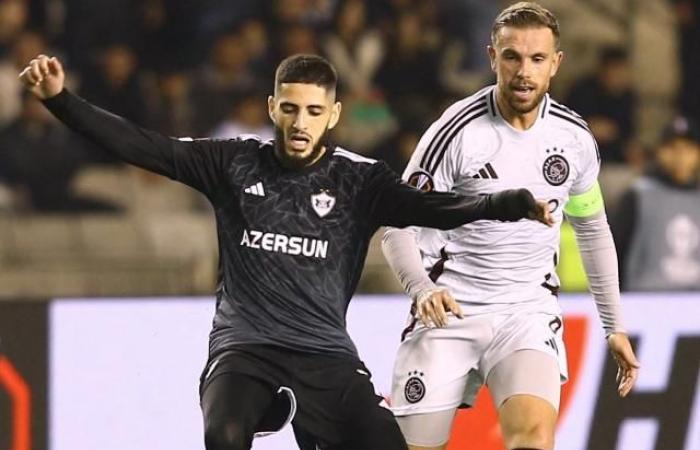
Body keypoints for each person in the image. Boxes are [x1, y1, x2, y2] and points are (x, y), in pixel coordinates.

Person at [20, 53, 550, 450]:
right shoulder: (232, 163)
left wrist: (506, 202)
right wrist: (62, 101)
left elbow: (433, 207)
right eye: (291, 108)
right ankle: (271, 406)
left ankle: (297, 410)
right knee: (224, 436)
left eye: (314, 111)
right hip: (246, 349)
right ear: (273, 106)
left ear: (334, 113)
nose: (301, 123)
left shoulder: (359, 180)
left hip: (325, 356)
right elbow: (142, 145)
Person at [381, 3, 640, 450]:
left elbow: (592, 229)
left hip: (526, 312)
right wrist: (422, 289)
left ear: (556, 63)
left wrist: (614, 324)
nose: (524, 71)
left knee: (534, 440)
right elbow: (395, 226)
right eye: (512, 57)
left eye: (537, 59)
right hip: (449, 311)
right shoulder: (455, 133)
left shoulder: (573, 139)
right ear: (492, 57)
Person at [614, 116, 700, 291]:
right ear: (660, 152)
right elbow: (615, 252)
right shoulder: (638, 196)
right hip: (645, 302)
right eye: (672, 148)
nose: (680, 156)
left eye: (687, 149)